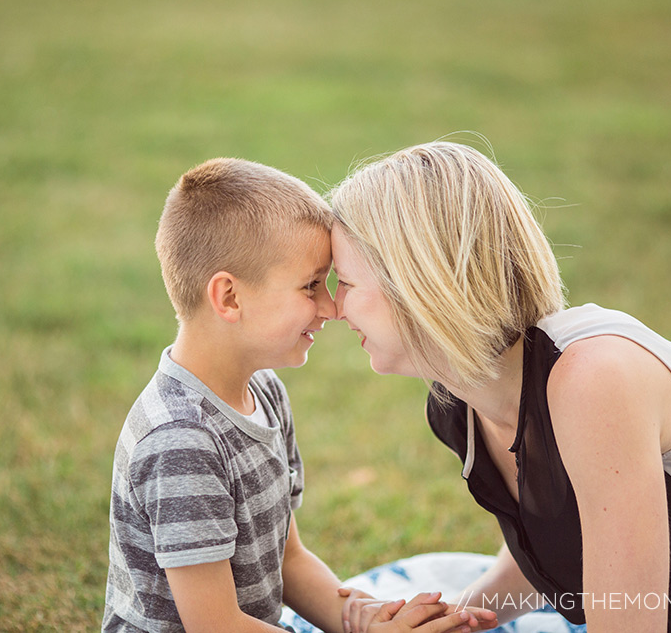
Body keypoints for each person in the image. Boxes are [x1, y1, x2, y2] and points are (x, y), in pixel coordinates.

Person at [328, 141, 671, 632]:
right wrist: (458, 619)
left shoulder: (593, 379)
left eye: (345, 282)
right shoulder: (456, 402)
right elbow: (558, 550)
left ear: (417, 282)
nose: (332, 306)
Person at [102, 157, 496, 633]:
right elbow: (216, 626)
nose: (331, 307)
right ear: (229, 298)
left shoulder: (263, 392)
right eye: (311, 285)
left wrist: (366, 619)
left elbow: (289, 560)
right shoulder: (180, 441)